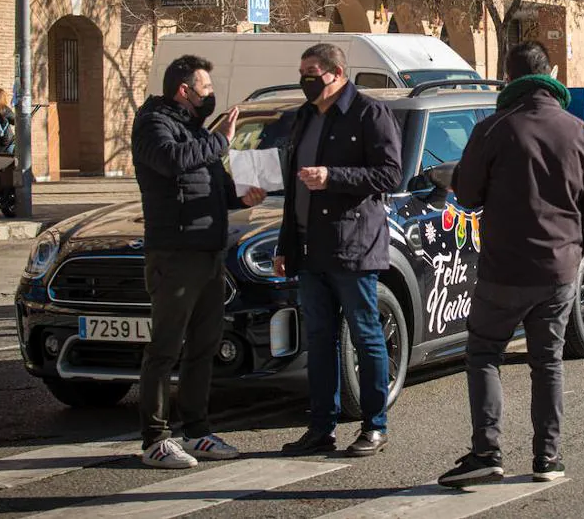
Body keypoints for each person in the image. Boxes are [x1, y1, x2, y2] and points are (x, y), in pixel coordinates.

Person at [438, 41, 584, 487]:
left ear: (509, 77)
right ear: (550, 72)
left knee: (482, 353)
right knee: (547, 361)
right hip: (559, 270)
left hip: (505, 267)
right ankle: (548, 459)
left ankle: (486, 452)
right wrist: (576, 250)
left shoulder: (494, 129)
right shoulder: (581, 132)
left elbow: (468, 195)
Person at [131, 54, 266, 469]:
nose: (211, 96)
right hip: (175, 253)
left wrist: (239, 196)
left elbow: (210, 184)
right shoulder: (153, 123)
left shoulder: (194, 129)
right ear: (183, 90)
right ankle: (155, 438)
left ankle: (197, 431)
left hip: (209, 251)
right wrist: (220, 140)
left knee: (204, 346)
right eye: (206, 89)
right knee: (165, 348)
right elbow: (171, 161)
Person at [274, 43, 402, 458]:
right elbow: (294, 191)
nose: (305, 79)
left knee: (365, 335)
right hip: (309, 247)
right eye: (302, 71)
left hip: (353, 244)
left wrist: (333, 176)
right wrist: (285, 244)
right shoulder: (304, 117)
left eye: (312, 71)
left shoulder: (369, 113)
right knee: (320, 338)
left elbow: (389, 174)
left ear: (337, 72)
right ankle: (320, 428)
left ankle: (374, 426)